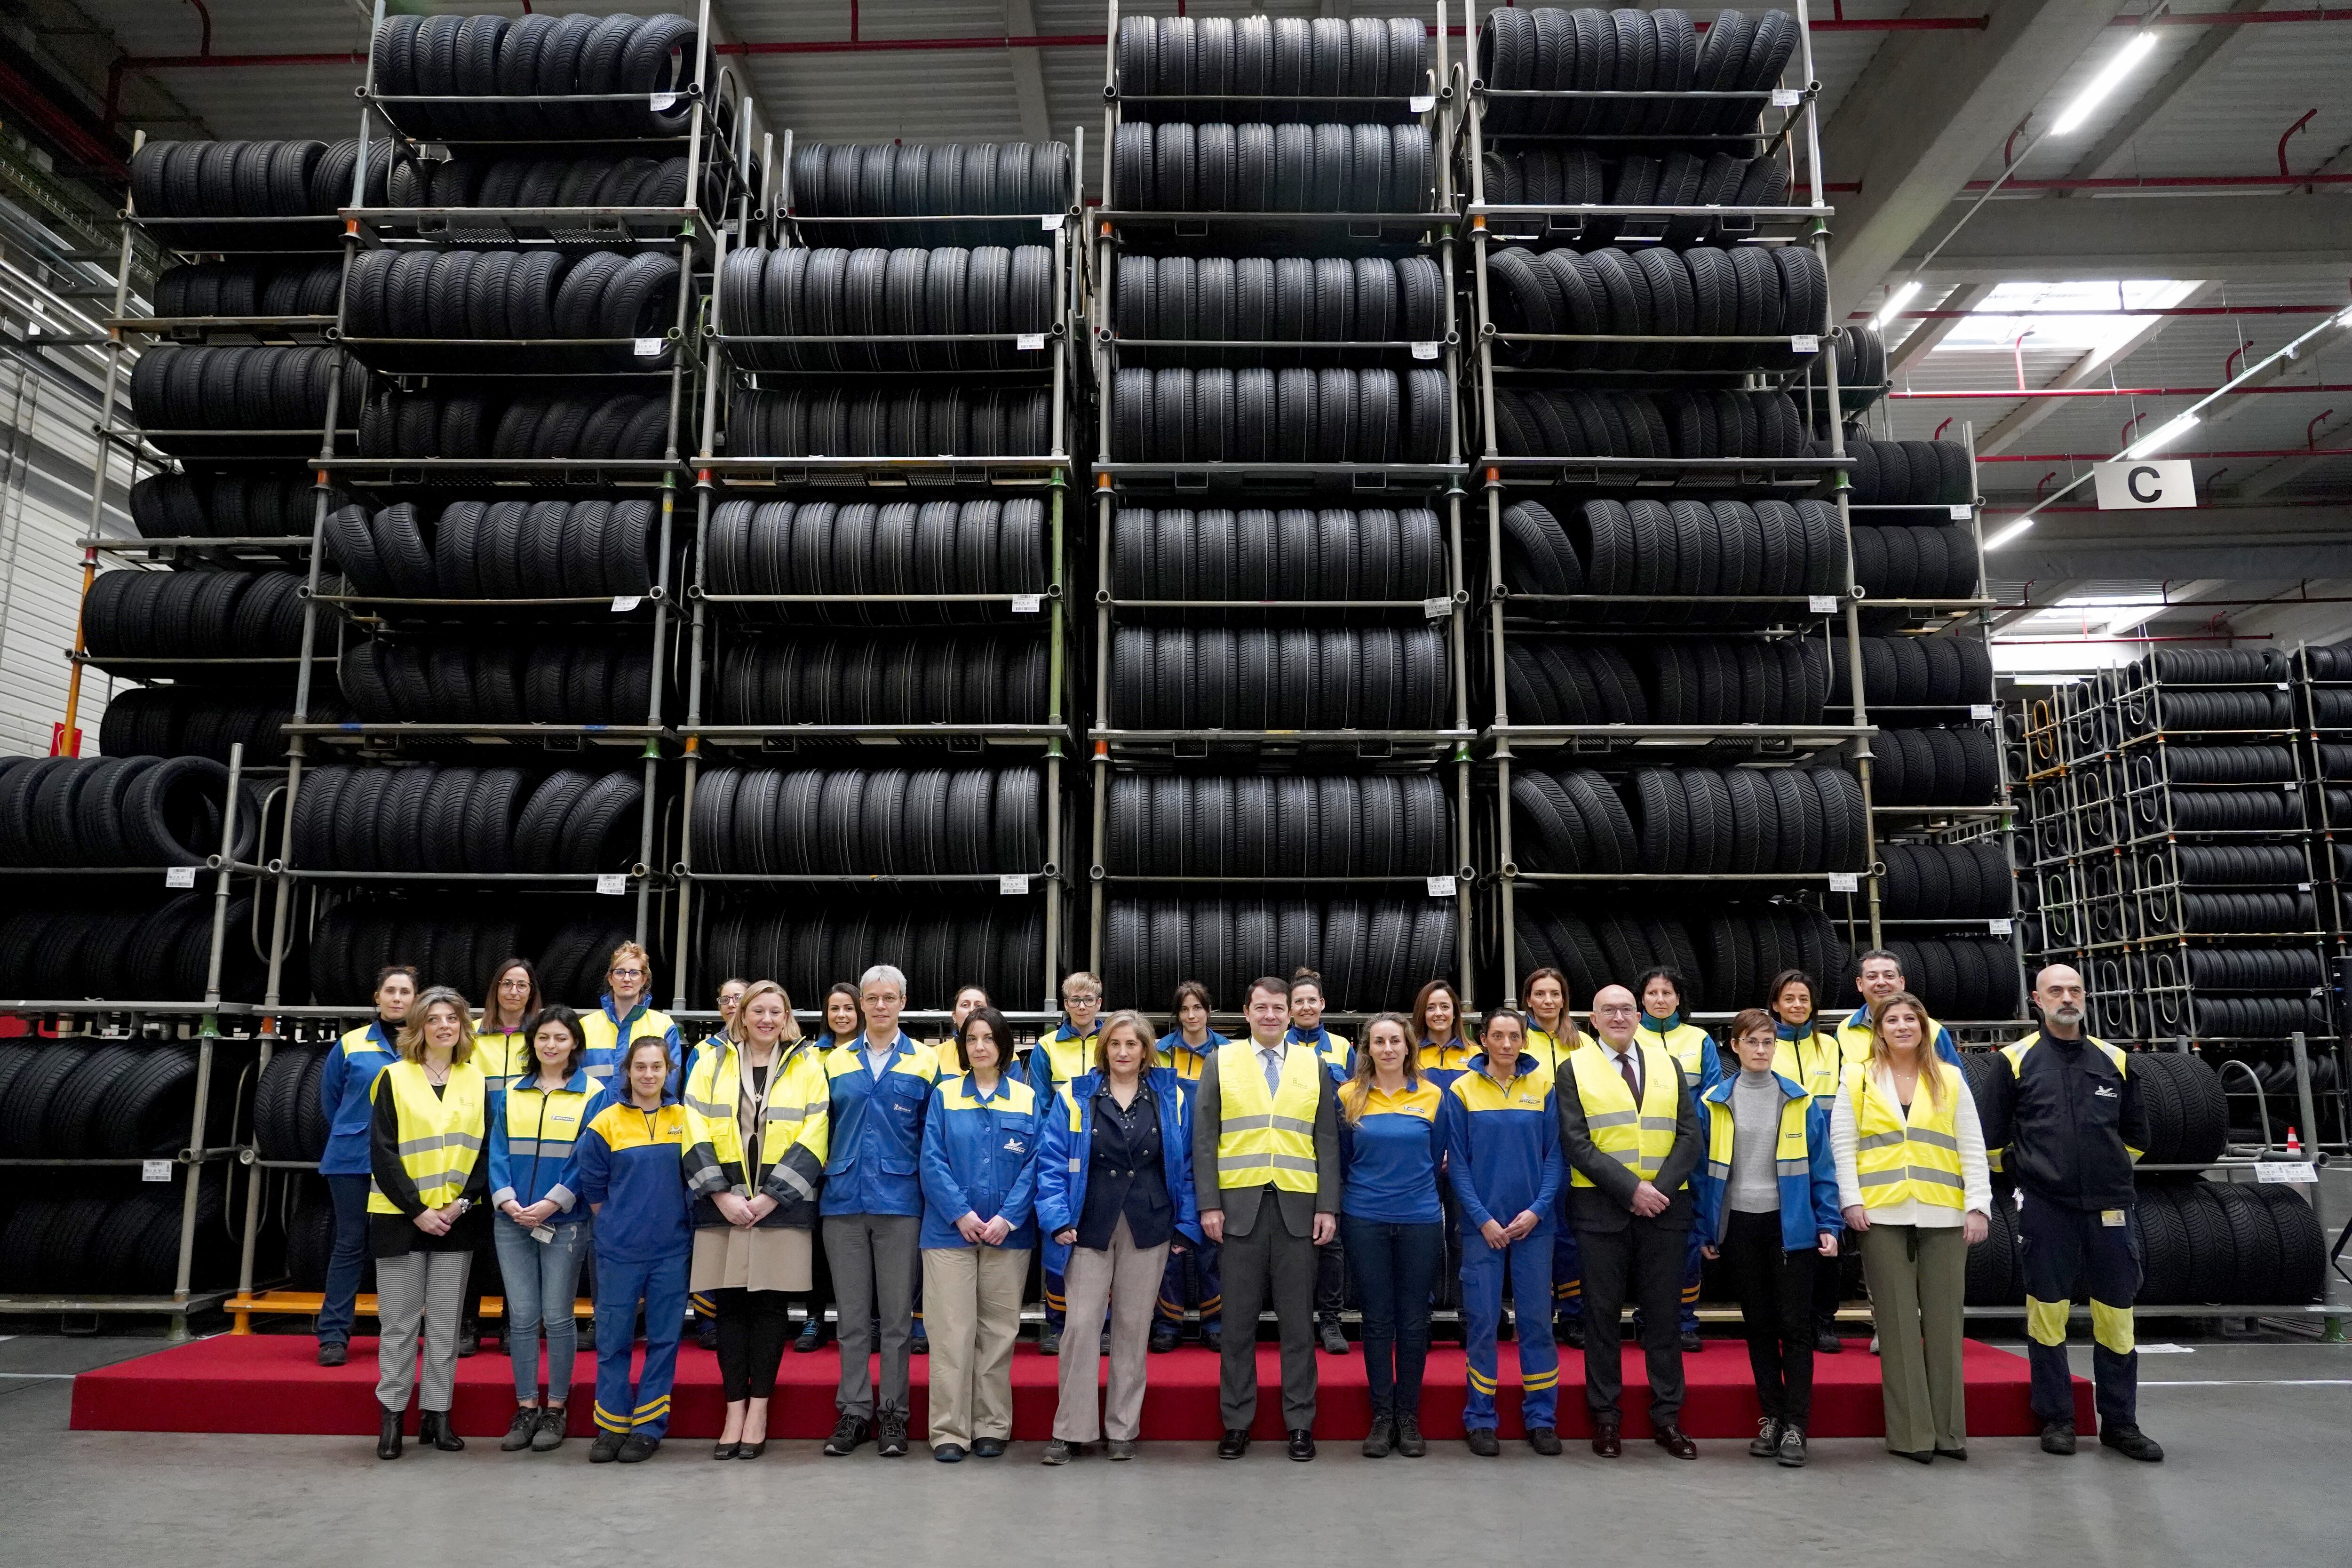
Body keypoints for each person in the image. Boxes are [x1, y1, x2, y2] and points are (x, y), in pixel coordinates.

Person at [1983, 963, 2162, 1462]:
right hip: (2045, 1211)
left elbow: (2136, 1137)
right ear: (2036, 1002)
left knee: (2116, 1319)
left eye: (2074, 990)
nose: (2067, 997)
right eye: (2055, 990)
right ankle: (2058, 1418)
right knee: (2046, 1318)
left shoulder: (2115, 1060)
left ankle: (2120, 1424)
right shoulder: (2013, 1061)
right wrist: (2035, 1178)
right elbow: (1992, 1141)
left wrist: (2105, 1175)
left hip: (2110, 1210)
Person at [1832, 990, 1991, 1463]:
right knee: (1897, 1327)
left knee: (1945, 1324)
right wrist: (1850, 1202)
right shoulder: (1856, 1077)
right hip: (1879, 1214)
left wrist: (1977, 1205)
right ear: (1878, 1030)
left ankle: (1948, 1433)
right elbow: (1843, 1146)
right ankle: (1910, 1436)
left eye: (1911, 1019)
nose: (1902, 1026)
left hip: (1943, 1212)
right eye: (1892, 1019)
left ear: (1923, 1028)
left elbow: (1971, 1146)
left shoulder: (1949, 1079)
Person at [1036, 1011, 1200, 1464]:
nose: (1124, 1052)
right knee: (1081, 1326)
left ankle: (1123, 1429)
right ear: (1103, 1049)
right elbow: (1050, 1162)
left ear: (1147, 1050)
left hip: (1150, 1224)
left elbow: (1187, 1166)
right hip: (1086, 1224)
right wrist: (1055, 1218)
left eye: (1132, 1044)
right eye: (1115, 1044)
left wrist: (1186, 1224)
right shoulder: (1076, 1094)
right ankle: (1071, 1430)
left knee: (1133, 1328)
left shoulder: (1173, 1096)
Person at [1192, 975, 1341, 1461]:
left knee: (1299, 1326)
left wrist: (1327, 1207)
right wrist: (1208, 1204)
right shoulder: (1221, 1061)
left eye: (1280, 1007)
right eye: (1263, 1007)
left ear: (1291, 1012)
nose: (1273, 1015)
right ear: (1247, 1011)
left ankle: (1300, 1423)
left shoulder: (1312, 1063)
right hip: (1237, 1212)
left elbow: (1325, 1141)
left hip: (1298, 1209)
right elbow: (1204, 1139)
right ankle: (1236, 1422)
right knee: (1236, 1327)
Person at [679, 979, 829, 1461]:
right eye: (757, 1011)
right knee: (728, 1310)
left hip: (780, 1207)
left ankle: (759, 1410)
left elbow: (817, 1129)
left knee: (768, 1311)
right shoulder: (710, 1062)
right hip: (721, 1205)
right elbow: (692, 1123)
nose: (766, 1019)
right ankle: (733, 1411)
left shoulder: (808, 1065)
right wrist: (720, 1194)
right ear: (741, 1015)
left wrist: (772, 1197)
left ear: (786, 1018)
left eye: (775, 1011)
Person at [1558, 983, 1703, 1459]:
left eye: (1625, 1009)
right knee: (1601, 1319)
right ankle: (1605, 1420)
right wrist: (1631, 1190)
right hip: (1601, 1214)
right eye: (1607, 1010)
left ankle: (1667, 1417)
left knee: (1663, 1319)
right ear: (1592, 1020)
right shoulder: (1572, 1069)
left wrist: (1656, 1191)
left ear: (1638, 1015)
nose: (1618, 1017)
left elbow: (1689, 1136)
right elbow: (1576, 1143)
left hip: (1664, 1211)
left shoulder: (1669, 1065)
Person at [1693, 1009, 1839, 1468]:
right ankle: (1771, 1417)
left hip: (1788, 1228)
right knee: (1757, 1327)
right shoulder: (1714, 1101)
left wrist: (1827, 1224)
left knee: (1794, 1328)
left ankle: (1796, 1425)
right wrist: (1706, 1228)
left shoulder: (1797, 1100)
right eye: (1751, 1042)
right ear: (1733, 1046)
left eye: (1767, 1042)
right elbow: (1702, 1174)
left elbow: (1822, 1168)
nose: (1760, 1050)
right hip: (1738, 1227)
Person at [818, 964, 938, 1457]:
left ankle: (893, 1413)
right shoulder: (831, 1062)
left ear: (903, 1002)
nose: (881, 1006)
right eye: (872, 998)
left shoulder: (927, 1063)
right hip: (842, 1200)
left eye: (890, 998)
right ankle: (853, 1411)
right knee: (849, 1318)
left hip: (901, 1203)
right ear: (861, 1004)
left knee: (895, 1320)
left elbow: (934, 1139)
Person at [366, 986, 487, 1461]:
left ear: (462, 1028)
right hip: (400, 1218)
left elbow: (482, 1151)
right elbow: (383, 1152)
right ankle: (391, 1416)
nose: (444, 1026)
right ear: (418, 1028)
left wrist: (461, 1204)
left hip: (455, 1220)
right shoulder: (394, 1078)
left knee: (444, 1328)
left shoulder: (475, 1080)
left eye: (452, 1019)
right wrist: (417, 1209)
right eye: (434, 1019)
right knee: (397, 1326)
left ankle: (437, 1415)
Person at [919, 1005, 1042, 1462]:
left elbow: (1035, 1165)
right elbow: (930, 1160)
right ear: (962, 1047)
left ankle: (992, 1425)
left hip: (1005, 1237)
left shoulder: (1026, 1100)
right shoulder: (945, 1095)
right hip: (949, 1234)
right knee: (951, 1334)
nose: (979, 1046)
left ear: (1004, 1046)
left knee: (998, 1334)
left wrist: (1007, 1218)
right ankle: (949, 1431)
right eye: (971, 1039)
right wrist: (960, 1214)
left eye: (988, 1038)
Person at [1443, 1008, 1564, 1457]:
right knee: (1482, 1324)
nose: (1507, 1044)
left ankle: (1542, 1419)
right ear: (1483, 1039)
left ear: (1525, 1039)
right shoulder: (1461, 1090)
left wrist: (1537, 1211)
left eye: (1515, 1036)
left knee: (1536, 1324)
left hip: (1536, 1227)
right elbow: (1457, 1161)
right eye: (1498, 1036)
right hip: (1483, 1230)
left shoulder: (1545, 1087)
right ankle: (1480, 1419)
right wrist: (1483, 1219)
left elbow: (1556, 1157)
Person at [486, 1003, 604, 1454]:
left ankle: (556, 1408)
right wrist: (509, 1201)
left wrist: (553, 1202)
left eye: (560, 1037)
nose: (551, 1045)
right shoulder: (511, 1093)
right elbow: (496, 1150)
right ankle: (525, 1406)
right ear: (531, 1043)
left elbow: (586, 1158)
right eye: (543, 1038)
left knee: (557, 1317)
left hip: (566, 1221)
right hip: (511, 1219)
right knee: (521, 1318)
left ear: (574, 1042)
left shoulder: (593, 1093)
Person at [576, 1035, 694, 1463]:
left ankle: (648, 1427)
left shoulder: (687, 1118)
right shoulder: (605, 1122)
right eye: (640, 1066)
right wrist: (615, 1224)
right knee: (613, 1341)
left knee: (664, 1340)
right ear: (627, 1071)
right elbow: (593, 1186)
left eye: (656, 1067)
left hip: (672, 1250)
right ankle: (610, 1427)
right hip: (618, 1251)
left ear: (669, 1071)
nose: (648, 1074)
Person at [1336, 1012, 1442, 1458]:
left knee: (1414, 1321)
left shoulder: (1434, 1094)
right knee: (1377, 1320)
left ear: (1408, 1046)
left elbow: (1438, 1155)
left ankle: (1408, 1416)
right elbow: (1342, 1159)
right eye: (1378, 1041)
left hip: (1419, 1219)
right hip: (1365, 1218)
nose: (1387, 1048)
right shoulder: (1349, 1096)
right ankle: (1382, 1415)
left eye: (1395, 1040)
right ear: (1368, 1049)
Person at [316, 964, 413, 1368]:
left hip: (405, 1160)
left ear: (416, 998)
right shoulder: (351, 1044)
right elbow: (330, 1100)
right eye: (390, 990)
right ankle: (333, 1335)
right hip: (351, 1159)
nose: (397, 998)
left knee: (399, 1249)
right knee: (350, 1243)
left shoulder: (423, 1044)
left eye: (405, 991)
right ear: (377, 997)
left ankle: (401, 1335)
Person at [1636, 967, 1722, 1353]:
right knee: (1640, 1245)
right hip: (1639, 1157)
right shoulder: (1626, 1037)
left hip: (1690, 1157)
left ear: (1678, 998)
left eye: (1666, 992)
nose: (1659, 999)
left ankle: (1685, 1320)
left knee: (1687, 1241)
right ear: (1641, 999)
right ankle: (1645, 1316)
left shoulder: (1699, 1039)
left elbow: (1713, 1096)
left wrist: (1693, 1142)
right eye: (1652, 992)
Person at [1765, 968, 1848, 1356]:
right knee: (1783, 1239)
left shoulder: (1830, 1046)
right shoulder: (1766, 1045)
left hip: (1826, 1156)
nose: (1797, 1006)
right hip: (1779, 1158)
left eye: (1804, 999)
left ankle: (1824, 1319)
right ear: (1775, 1005)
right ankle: (1787, 1319)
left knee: (1828, 1236)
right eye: (1789, 999)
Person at [464, 956, 541, 1358]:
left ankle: (516, 1323)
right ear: (495, 988)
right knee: (474, 1241)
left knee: (523, 1239)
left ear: (532, 992)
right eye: (507, 983)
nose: (514, 991)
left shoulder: (542, 1036)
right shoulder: (472, 1036)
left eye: (522, 985)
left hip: (525, 1150)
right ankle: (468, 1324)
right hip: (477, 1149)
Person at [1027, 970, 1105, 1353]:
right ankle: (1058, 1325)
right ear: (1065, 1004)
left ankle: (1101, 1327)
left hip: (1105, 1152)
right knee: (1059, 1236)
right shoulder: (1045, 1046)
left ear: (1099, 1004)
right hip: (1062, 1150)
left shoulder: (1113, 1040)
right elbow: (1038, 1104)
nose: (1082, 1007)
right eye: (1074, 1000)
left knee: (1101, 1238)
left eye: (1088, 1000)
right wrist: (1049, 1151)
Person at [1153, 979, 1227, 1353]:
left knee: (1213, 1245)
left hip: (1217, 1156)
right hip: (1171, 1156)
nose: (1192, 1015)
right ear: (1178, 1014)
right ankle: (1168, 1324)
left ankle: (1214, 1323)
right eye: (1185, 1009)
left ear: (1208, 1011)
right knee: (1170, 1245)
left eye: (1198, 1008)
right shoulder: (1160, 1053)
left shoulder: (1230, 1053)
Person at [793, 982, 865, 1353]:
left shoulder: (870, 1054)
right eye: (834, 1008)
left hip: (856, 1164)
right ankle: (814, 1317)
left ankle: (869, 1320)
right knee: (816, 1246)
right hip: (817, 1165)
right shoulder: (810, 1056)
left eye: (849, 1008)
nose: (841, 1015)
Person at [1520, 967, 1588, 1348]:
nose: (1548, 1001)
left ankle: (1574, 1314)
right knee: (1538, 1233)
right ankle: (1538, 1312)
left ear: (1564, 999)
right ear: (1528, 998)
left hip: (1574, 1151)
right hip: (1532, 1150)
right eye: (1541, 994)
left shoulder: (1582, 1042)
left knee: (1570, 1236)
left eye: (1555, 994)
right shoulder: (1516, 1039)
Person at [1287, 970, 1353, 1355]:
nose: (1307, 1007)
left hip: (1333, 1155)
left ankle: (1330, 1321)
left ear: (1323, 1004)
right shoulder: (1277, 1044)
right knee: (1292, 1243)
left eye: (1313, 1000)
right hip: (1291, 1154)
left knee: (1332, 1242)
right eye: (1300, 1002)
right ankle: (1295, 1321)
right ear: (1291, 1009)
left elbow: (1357, 1098)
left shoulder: (1344, 1047)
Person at [690, 976, 749, 1353]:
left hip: (755, 1170)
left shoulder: (770, 1049)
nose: (731, 1004)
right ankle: (707, 1321)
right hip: (713, 1167)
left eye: (739, 998)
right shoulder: (702, 1053)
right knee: (710, 1253)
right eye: (725, 998)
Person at [1834, 950, 1966, 1069]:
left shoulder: (1933, 1030)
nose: (1881, 982)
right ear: (1860, 984)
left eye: (1889, 976)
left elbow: (1956, 1083)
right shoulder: (1845, 1030)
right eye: (1872, 977)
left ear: (1902, 982)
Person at [580, 941, 684, 1090]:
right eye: (620, 972)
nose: (627, 979)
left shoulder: (664, 1026)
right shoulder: (586, 1026)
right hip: (595, 1112)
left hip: (644, 1113)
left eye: (634, 973)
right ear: (610, 978)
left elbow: (670, 1082)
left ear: (643, 980)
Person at [1410, 979, 1474, 1090]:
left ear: (1455, 1013)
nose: (1438, 1013)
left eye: (1445, 1007)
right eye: (1431, 1008)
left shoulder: (1475, 1053)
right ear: (1423, 1013)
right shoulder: (1410, 1054)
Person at [931, 984, 993, 1075]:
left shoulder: (1005, 1055)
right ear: (954, 1017)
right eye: (965, 1005)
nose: (972, 1010)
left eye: (979, 1006)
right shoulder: (934, 1055)